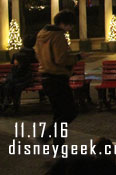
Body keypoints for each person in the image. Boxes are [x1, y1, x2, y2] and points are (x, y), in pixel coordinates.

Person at [34, 10, 83, 146]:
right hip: (57, 77)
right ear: (63, 24)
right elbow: (61, 59)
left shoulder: (41, 34)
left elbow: (38, 54)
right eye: (70, 25)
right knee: (70, 112)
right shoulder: (58, 36)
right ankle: (45, 136)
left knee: (59, 113)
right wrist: (77, 57)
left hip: (45, 76)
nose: (71, 29)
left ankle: (59, 143)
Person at [0, 33, 38, 112]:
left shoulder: (17, 55)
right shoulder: (33, 55)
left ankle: (7, 102)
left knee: (10, 85)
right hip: (25, 80)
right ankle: (9, 102)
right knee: (12, 85)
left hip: (17, 80)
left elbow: (12, 68)